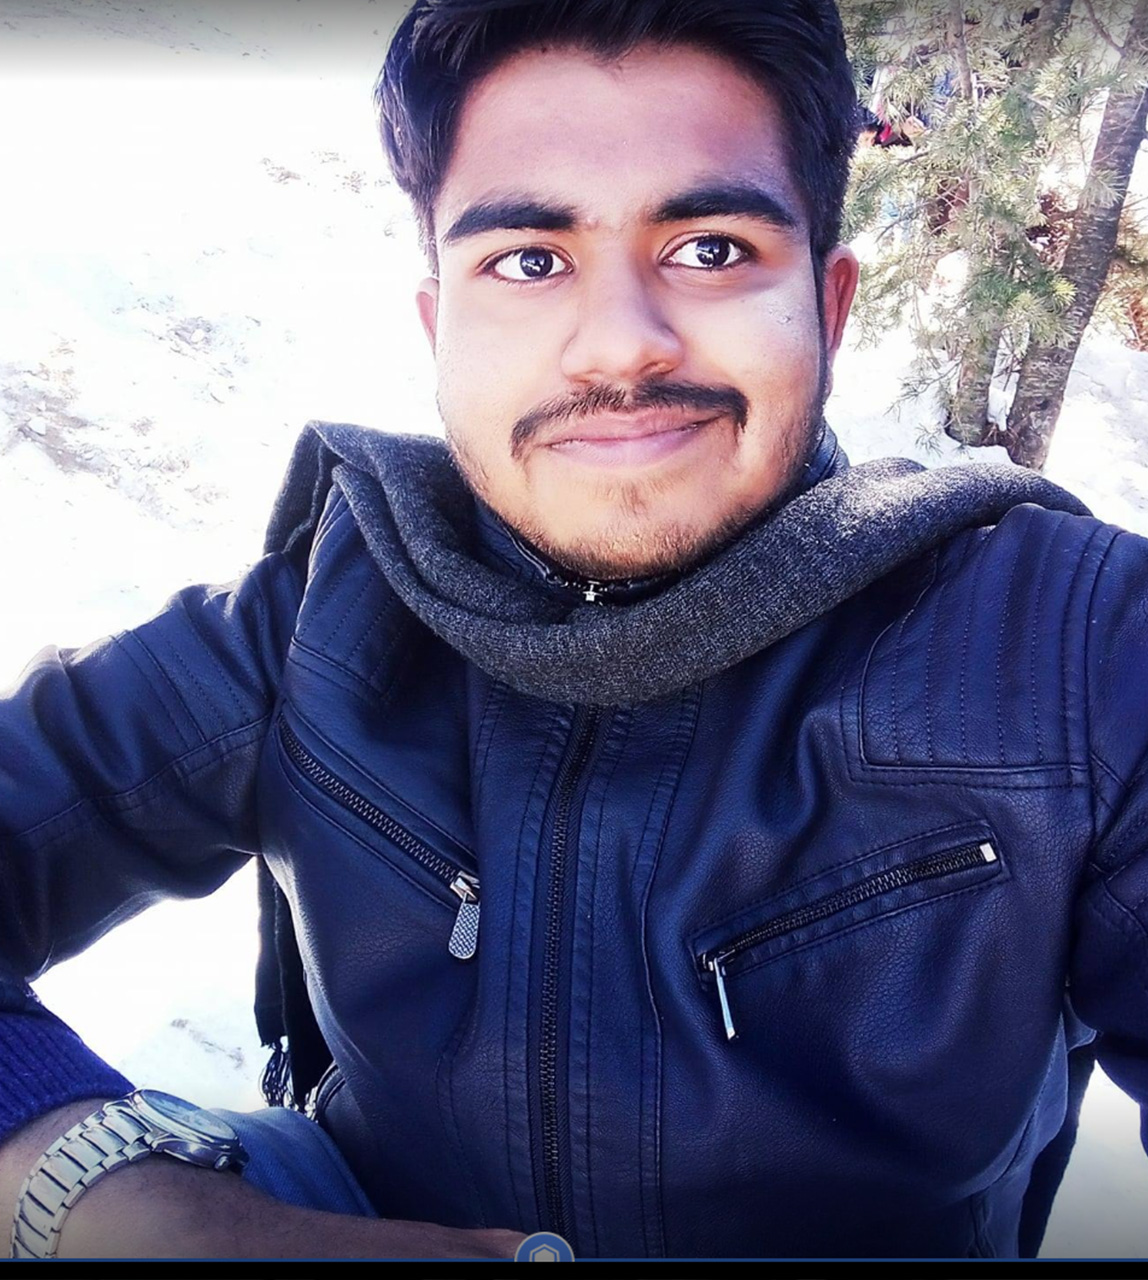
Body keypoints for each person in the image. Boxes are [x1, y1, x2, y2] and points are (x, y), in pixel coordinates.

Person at [1, 0, 1146, 1261]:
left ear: (827, 304)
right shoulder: (322, 613)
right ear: (440, 325)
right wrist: (107, 1189)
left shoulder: (1074, 651)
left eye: (709, 248)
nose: (618, 346)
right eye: (528, 261)